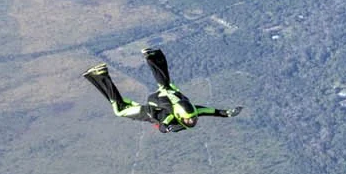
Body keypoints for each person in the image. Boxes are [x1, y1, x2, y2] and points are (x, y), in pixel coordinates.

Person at [83, 47, 237, 131]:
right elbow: (163, 126)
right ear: (178, 114)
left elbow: (212, 111)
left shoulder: (194, 111)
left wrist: (227, 114)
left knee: (166, 86)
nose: (191, 121)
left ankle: (153, 55)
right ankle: (100, 75)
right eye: (189, 119)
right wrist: (165, 127)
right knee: (120, 110)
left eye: (191, 119)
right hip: (153, 108)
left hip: (166, 98)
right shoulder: (170, 117)